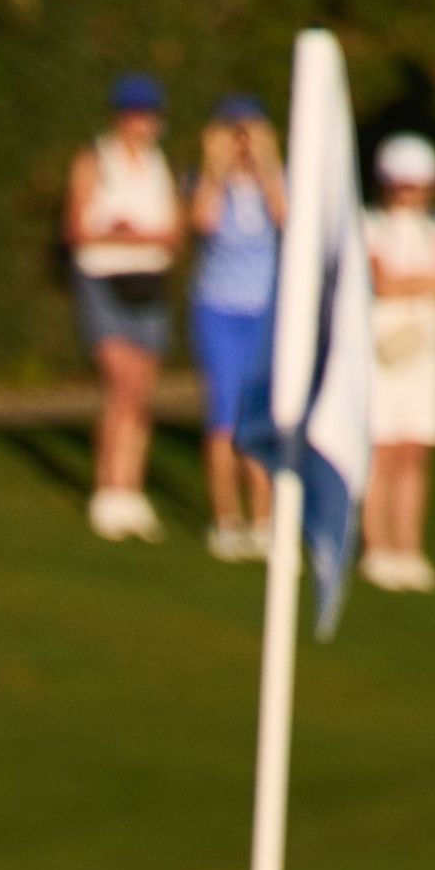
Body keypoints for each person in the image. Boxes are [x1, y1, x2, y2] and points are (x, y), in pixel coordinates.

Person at [64, 73, 180, 543]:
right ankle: (108, 490)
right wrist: (125, 234)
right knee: (120, 381)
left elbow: (172, 233)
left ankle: (132, 491)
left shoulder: (158, 165)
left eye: (148, 115)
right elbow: (78, 228)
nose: (141, 124)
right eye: (133, 115)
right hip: (102, 281)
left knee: (143, 390)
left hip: (148, 283)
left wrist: (141, 236)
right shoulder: (94, 160)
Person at [361, 135, 435, 594]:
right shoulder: (371, 225)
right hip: (381, 350)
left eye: (419, 186)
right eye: (404, 186)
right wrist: (430, 282)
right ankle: (376, 547)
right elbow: (382, 282)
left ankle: (408, 548)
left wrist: (421, 283)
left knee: (414, 451)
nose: (412, 194)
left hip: (425, 351)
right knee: (380, 450)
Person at [185, 94, 284, 561]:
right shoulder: (207, 183)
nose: (242, 142)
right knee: (224, 417)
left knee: (260, 414)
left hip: (265, 310)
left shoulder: (280, 181)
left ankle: (264, 520)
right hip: (219, 309)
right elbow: (202, 220)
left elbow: (288, 218)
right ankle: (226, 519)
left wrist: (266, 165)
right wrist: (217, 167)